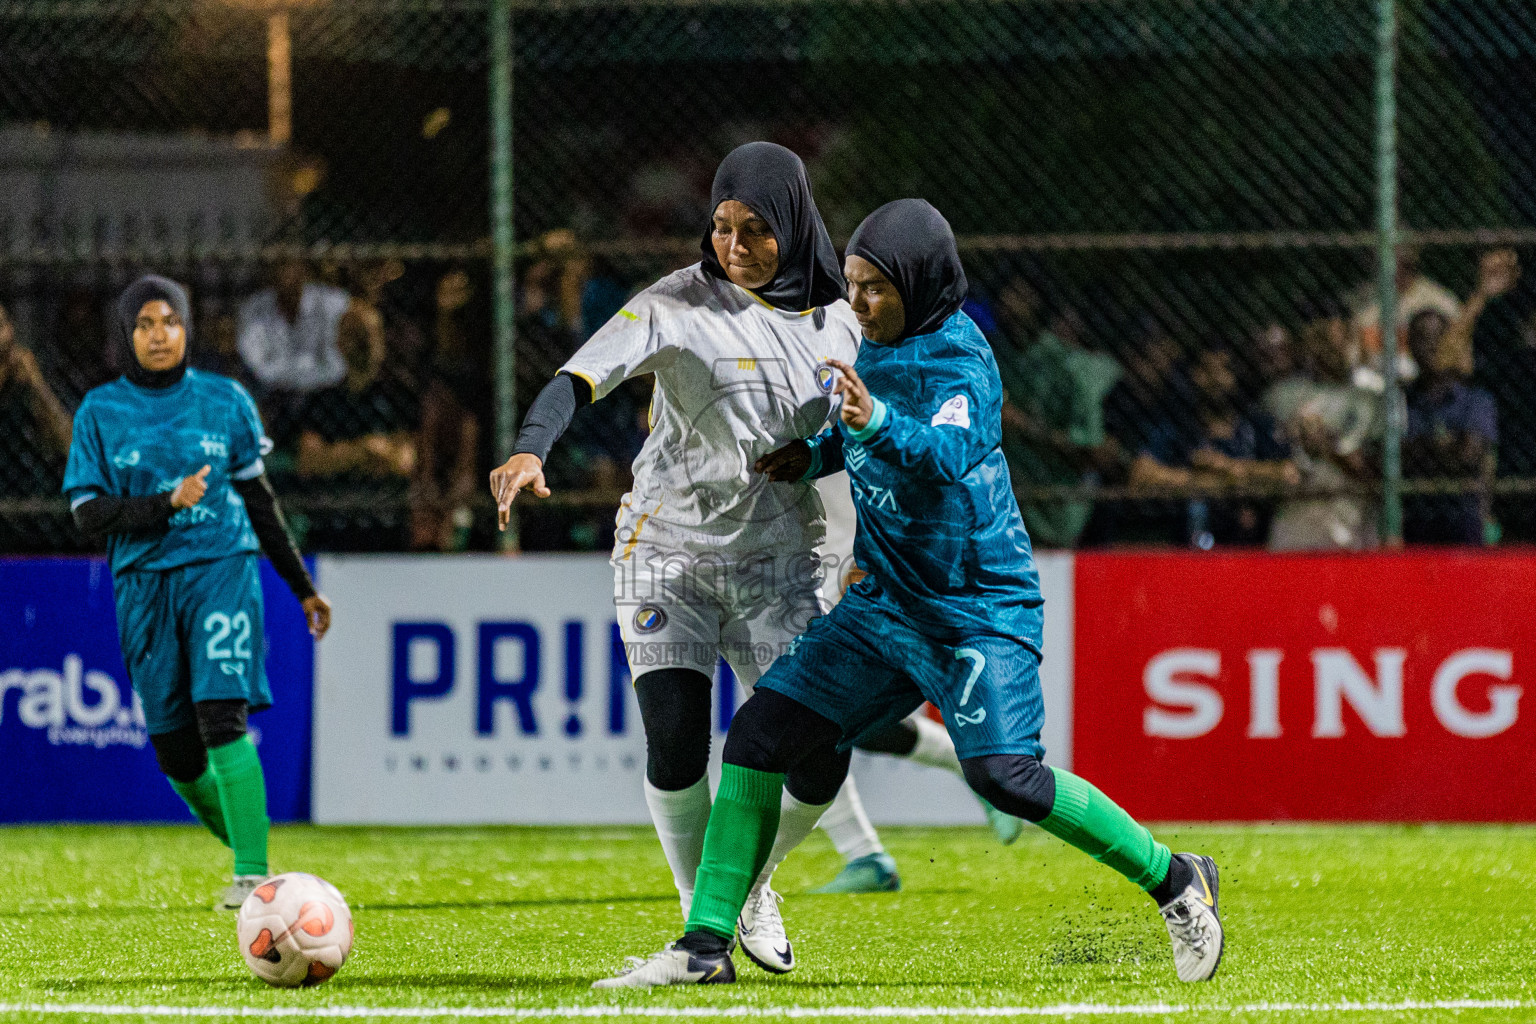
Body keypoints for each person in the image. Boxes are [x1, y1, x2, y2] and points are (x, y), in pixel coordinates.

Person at [594, 200, 1224, 989]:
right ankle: (705, 946)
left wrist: (871, 418)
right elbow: (861, 438)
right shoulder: (869, 340)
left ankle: (1176, 878)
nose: (856, 305)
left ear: (921, 286)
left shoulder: (962, 359)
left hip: (974, 609)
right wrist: (814, 452)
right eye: (852, 285)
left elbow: (943, 451)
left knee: (1007, 779)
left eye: (874, 290)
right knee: (756, 738)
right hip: (882, 605)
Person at [492, 143, 962, 973]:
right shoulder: (675, 303)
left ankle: (748, 884)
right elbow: (576, 379)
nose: (733, 247)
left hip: (780, 563)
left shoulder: (847, 320)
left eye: (755, 230)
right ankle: (698, 922)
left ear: (794, 226)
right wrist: (532, 450)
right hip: (665, 550)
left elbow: (883, 438)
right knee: (675, 737)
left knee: (821, 758)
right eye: (720, 228)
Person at [62, 275, 332, 909]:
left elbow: (260, 502)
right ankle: (246, 853)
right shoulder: (100, 412)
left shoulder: (226, 400)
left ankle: (252, 878)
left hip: (221, 567)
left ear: (187, 329)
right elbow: (87, 514)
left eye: (171, 322)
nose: (160, 335)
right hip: (144, 583)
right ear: (126, 337)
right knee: (177, 753)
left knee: (221, 715)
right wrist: (165, 501)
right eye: (146, 324)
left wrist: (303, 588)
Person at [1130, 346, 1297, 548]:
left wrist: (1227, 467)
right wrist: (1211, 482)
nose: (1215, 379)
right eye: (1206, 370)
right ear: (1193, 375)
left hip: (1250, 546)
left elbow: (1287, 473)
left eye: (1223, 370)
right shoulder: (1177, 427)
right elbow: (1141, 474)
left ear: (1235, 376)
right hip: (1186, 546)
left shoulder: (1256, 424)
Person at [1401, 309, 1498, 545]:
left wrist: (1418, 449)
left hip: (1463, 519)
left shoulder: (1476, 400)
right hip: (1413, 520)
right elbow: (1394, 459)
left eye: (1438, 337)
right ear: (1410, 345)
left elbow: (1467, 457)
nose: (1431, 346)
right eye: (1422, 338)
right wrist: (1445, 446)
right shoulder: (1400, 400)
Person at [237, 259, 379, 396]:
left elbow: (268, 371)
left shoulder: (333, 368)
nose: (347, 324)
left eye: (351, 332)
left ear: (349, 346)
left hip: (262, 377)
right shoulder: (338, 303)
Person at [0, 299, 74, 497]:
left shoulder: (28, 380)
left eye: (0, 326)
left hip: (31, 498)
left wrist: (37, 384)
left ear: (11, 329)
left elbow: (69, 445)